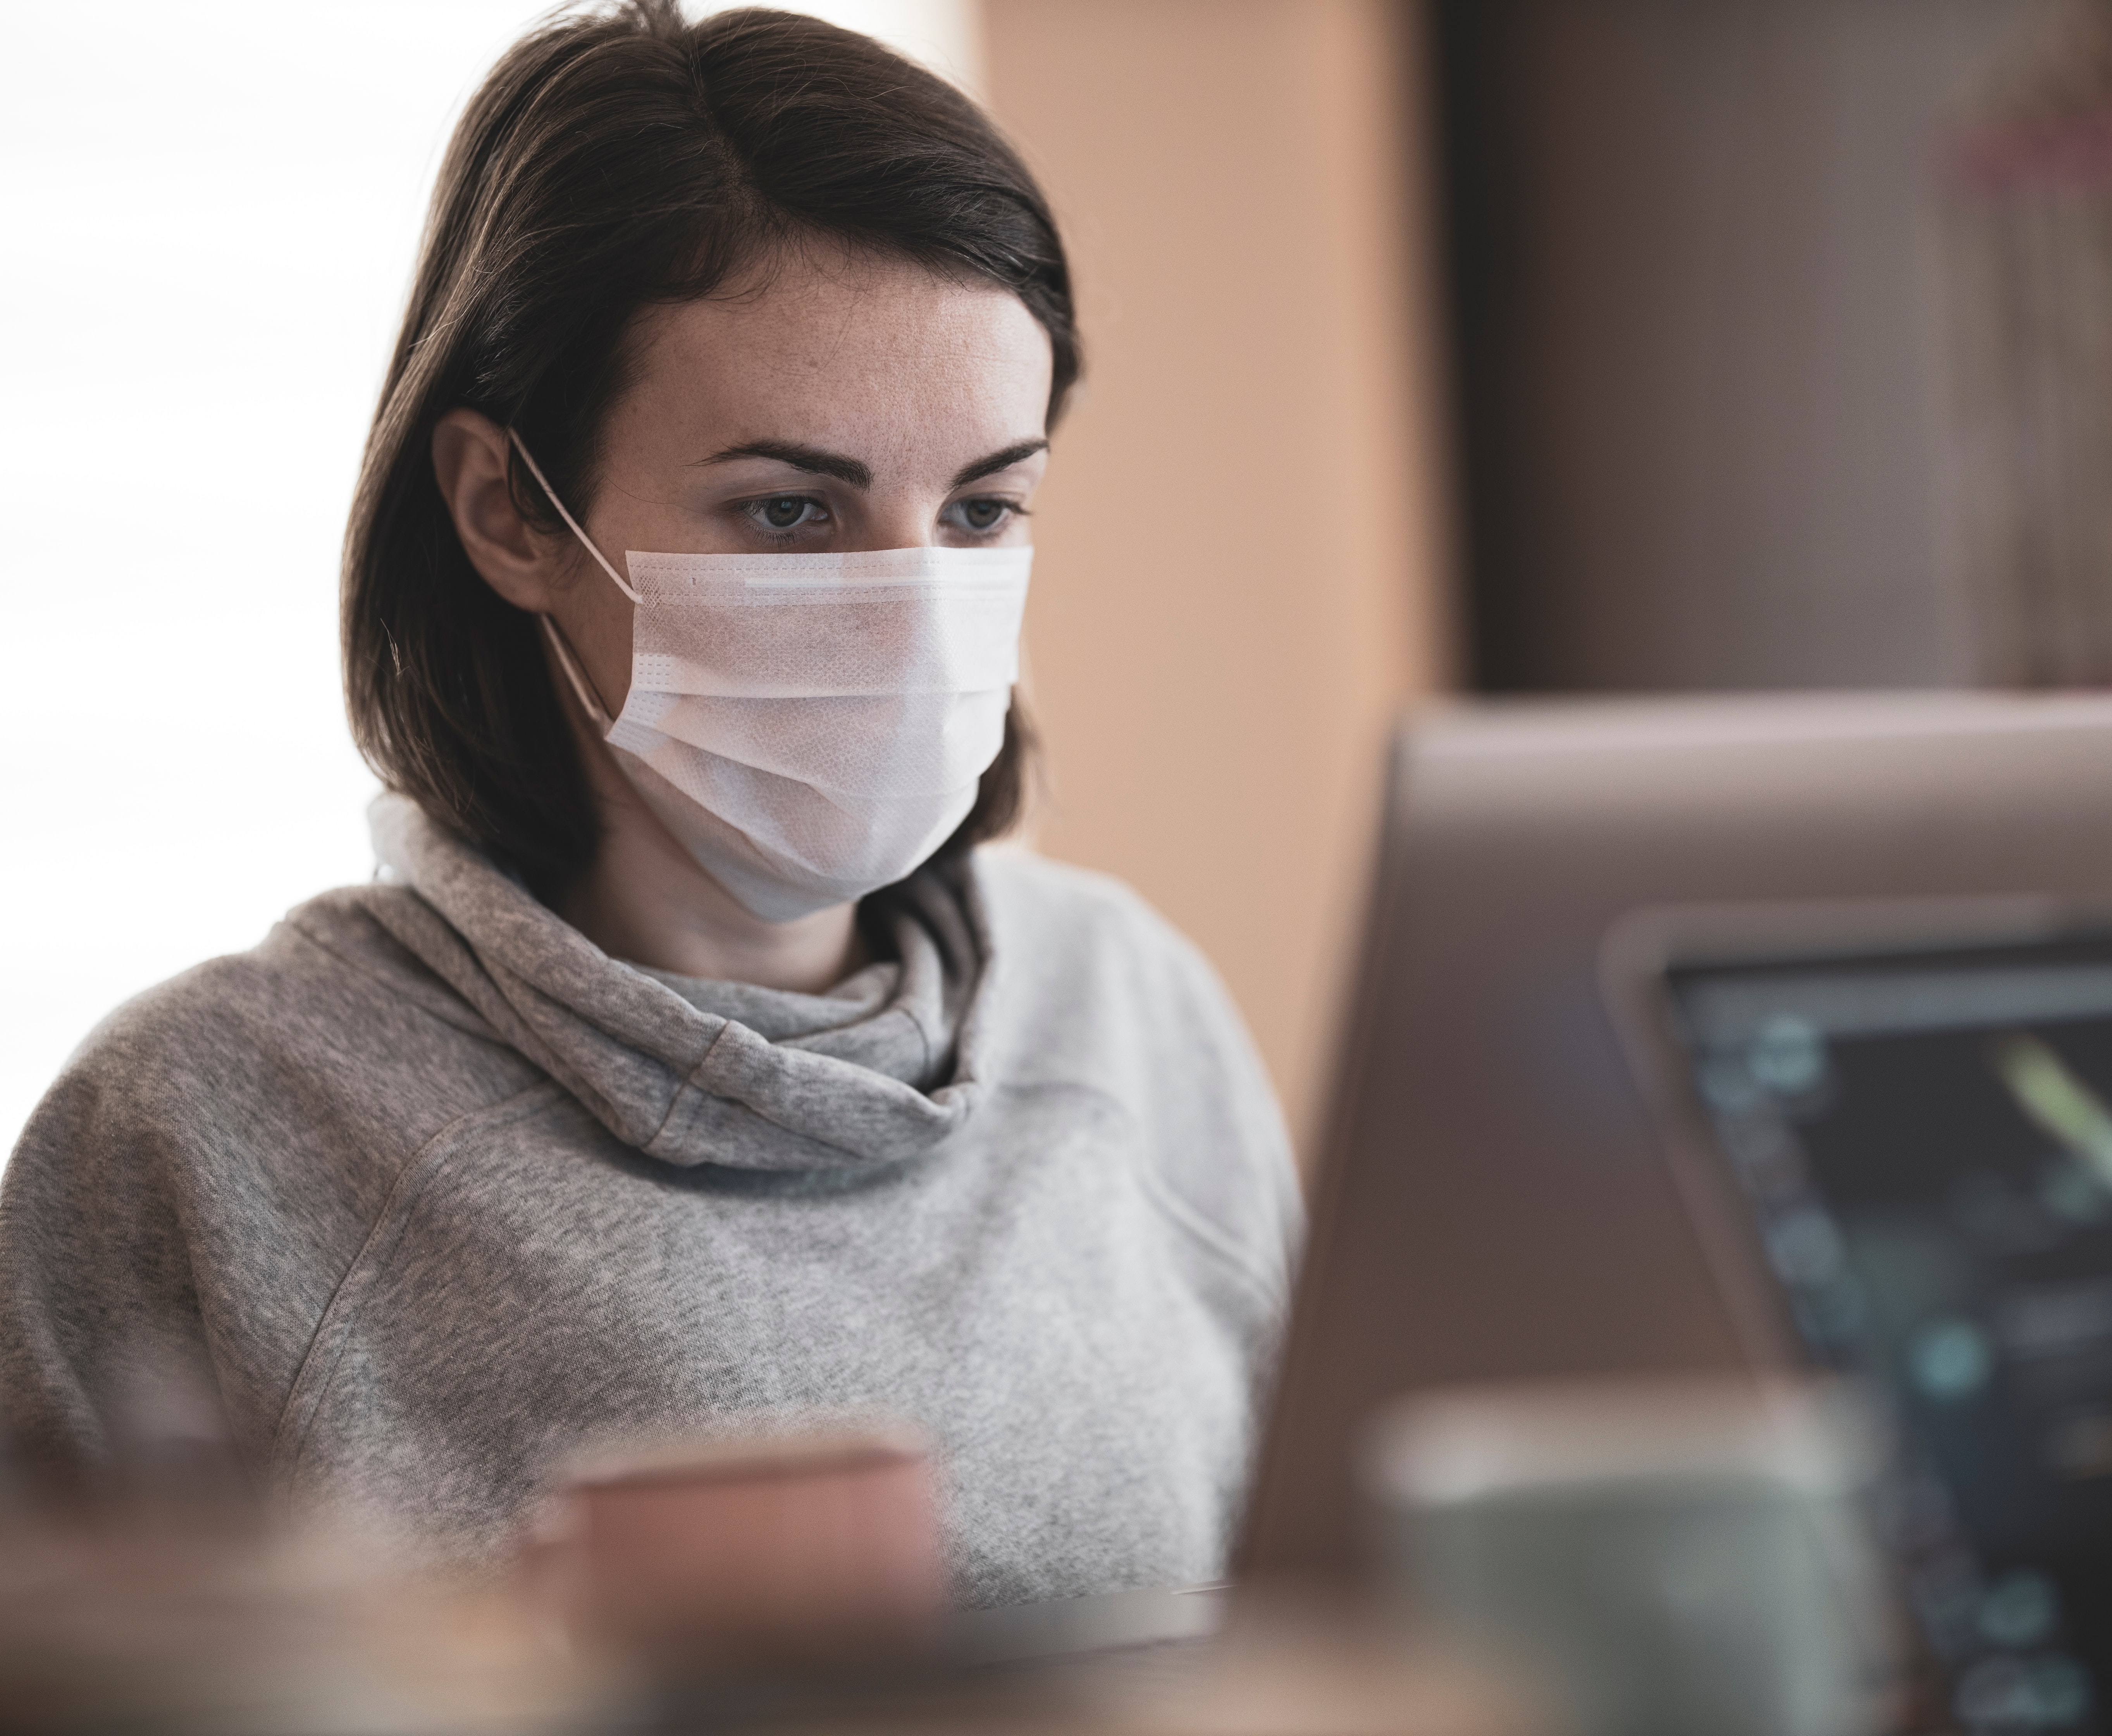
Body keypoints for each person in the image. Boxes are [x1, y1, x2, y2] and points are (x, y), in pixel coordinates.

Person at [0, 2, 1297, 1607]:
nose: (911, 610)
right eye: (788, 511)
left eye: (981, 508)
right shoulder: (200, 1134)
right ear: (507, 512)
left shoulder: (1135, 1024)